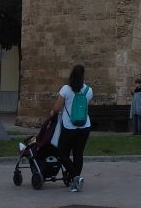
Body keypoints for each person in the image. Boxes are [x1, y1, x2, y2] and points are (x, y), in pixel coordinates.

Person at [52, 63, 92, 193]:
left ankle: (76, 177)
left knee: (62, 154)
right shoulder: (88, 90)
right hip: (85, 126)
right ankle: (76, 183)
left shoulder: (65, 89)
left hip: (69, 127)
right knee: (78, 154)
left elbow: (57, 108)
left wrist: (52, 113)